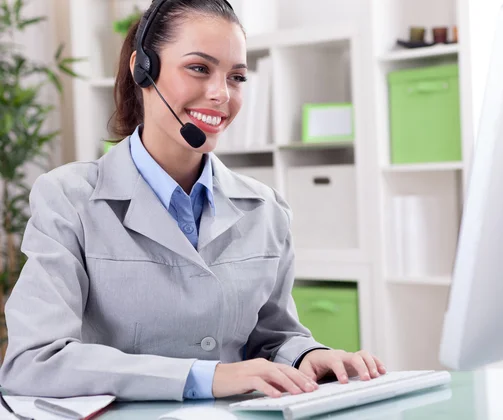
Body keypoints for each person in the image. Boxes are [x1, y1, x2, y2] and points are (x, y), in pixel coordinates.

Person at [0, 0, 385, 401]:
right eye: (199, 68)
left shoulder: (266, 209)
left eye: (236, 77)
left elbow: (274, 337)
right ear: (142, 68)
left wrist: (308, 354)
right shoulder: (69, 199)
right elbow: (33, 361)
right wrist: (206, 377)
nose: (221, 94)